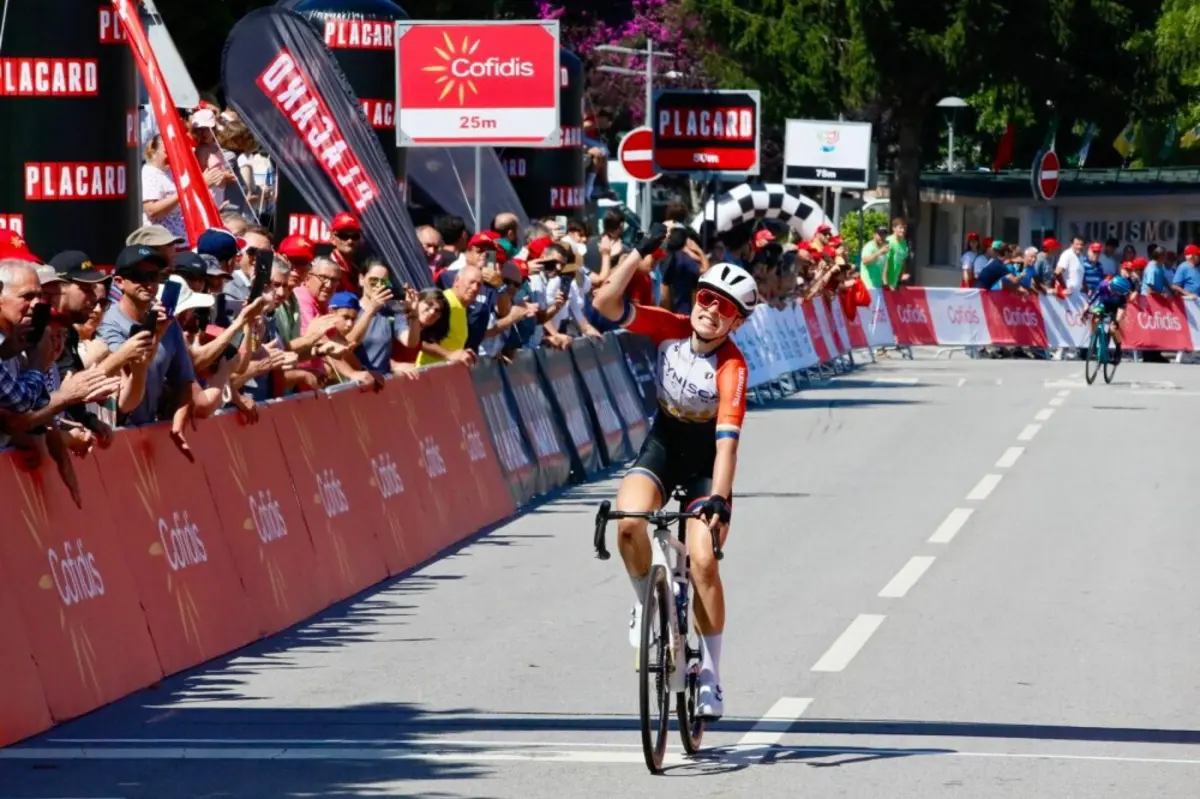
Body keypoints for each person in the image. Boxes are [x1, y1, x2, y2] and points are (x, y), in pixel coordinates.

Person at [591, 231, 757, 722]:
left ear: (737, 322)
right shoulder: (669, 326)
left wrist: (720, 501)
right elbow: (605, 301)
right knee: (627, 524)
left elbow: (727, 443)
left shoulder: (732, 367)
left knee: (703, 561)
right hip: (663, 443)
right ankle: (646, 605)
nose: (710, 311)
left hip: (706, 461)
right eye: (706, 298)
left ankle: (711, 675)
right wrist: (637, 255)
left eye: (724, 308)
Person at [1082, 259, 1138, 354]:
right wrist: (1086, 306)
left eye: (1130, 271)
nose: (1127, 273)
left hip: (1119, 304)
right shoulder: (1108, 281)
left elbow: (1135, 292)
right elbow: (1095, 295)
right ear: (1121, 269)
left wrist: (1134, 294)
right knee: (1095, 317)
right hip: (1105, 303)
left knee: (1113, 328)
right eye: (1126, 270)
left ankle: (1118, 348)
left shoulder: (1131, 281)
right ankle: (1093, 340)